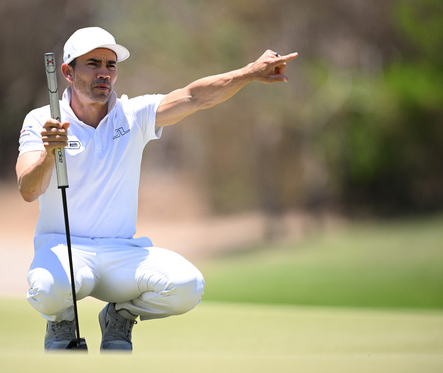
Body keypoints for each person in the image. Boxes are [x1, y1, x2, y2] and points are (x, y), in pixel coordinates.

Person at [16, 26, 298, 352]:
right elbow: (28, 188)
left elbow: (194, 96)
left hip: (121, 253)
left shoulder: (133, 114)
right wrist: (50, 154)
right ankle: (63, 318)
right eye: (93, 64)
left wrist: (249, 73)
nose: (104, 73)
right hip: (65, 251)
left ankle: (119, 315)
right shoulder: (42, 121)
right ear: (67, 71)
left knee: (187, 286)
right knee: (48, 290)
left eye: (111, 65)